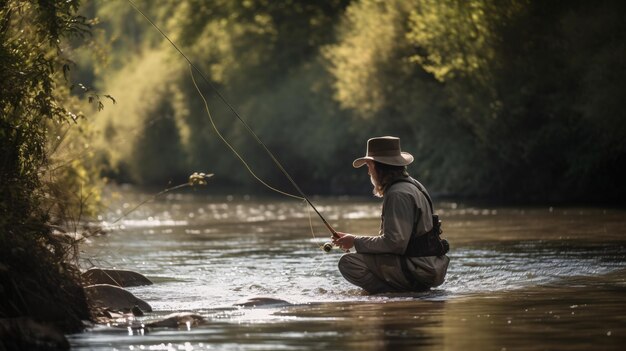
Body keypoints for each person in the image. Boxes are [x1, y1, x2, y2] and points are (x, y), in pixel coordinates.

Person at [332, 136, 449, 294]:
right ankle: (404, 291)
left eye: (368, 166)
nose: (368, 172)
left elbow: (395, 244)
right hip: (430, 266)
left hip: (419, 269)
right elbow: (398, 242)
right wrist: (355, 240)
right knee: (362, 253)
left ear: (376, 166)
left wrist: (354, 241)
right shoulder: (414, 185)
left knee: (349, 262)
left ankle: (393, 294)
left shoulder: (397, 194)